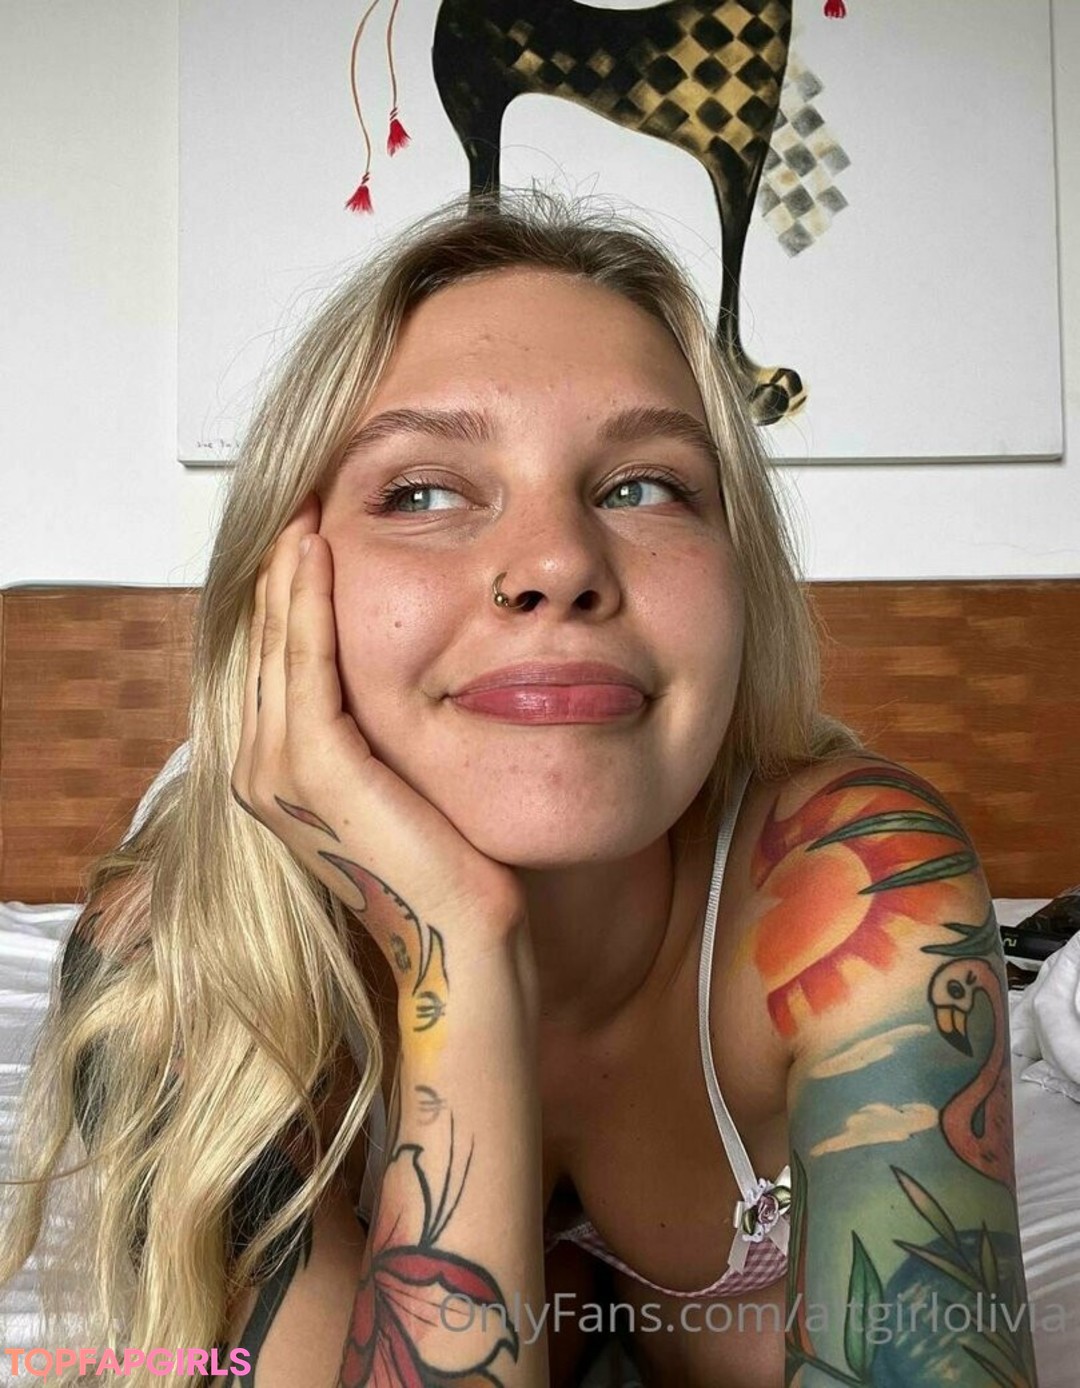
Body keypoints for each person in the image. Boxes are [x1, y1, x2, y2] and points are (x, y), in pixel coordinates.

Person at [2, 190, 1036, 1388]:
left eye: (644, 485)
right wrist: (455, 947)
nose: (556, 562)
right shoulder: (175, 954)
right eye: (424, 491)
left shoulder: (858, 885)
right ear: (286, 580)